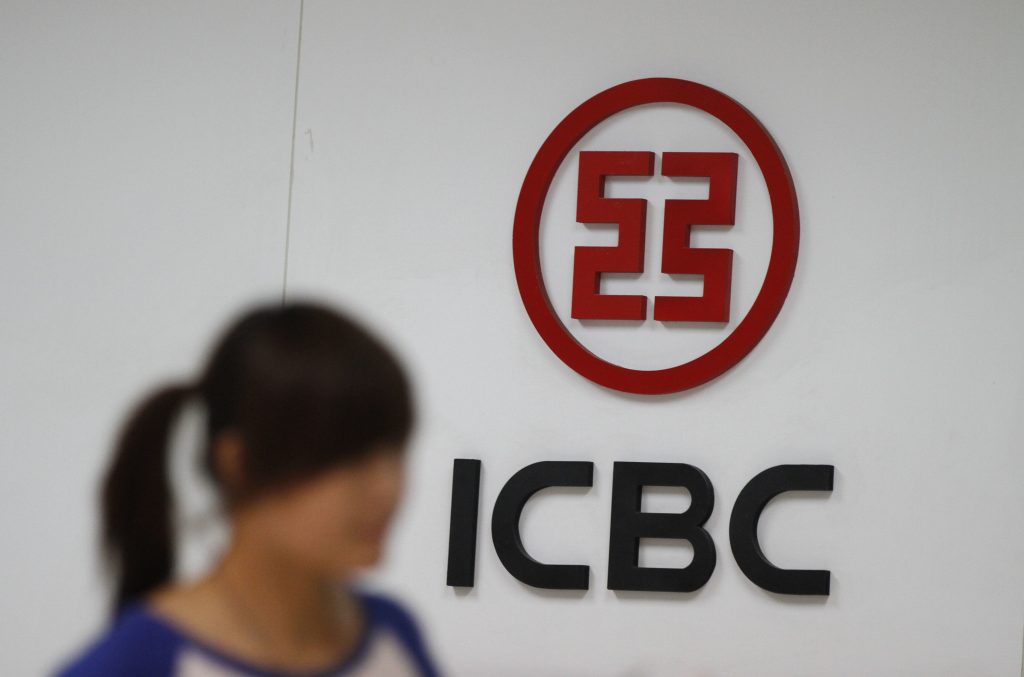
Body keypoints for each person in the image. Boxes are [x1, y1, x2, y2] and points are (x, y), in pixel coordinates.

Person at [53, 299, 443, 676]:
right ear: (238, 463)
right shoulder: (142, 660)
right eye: (348, 460)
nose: (387, 488)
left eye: (394, 452)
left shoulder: (392, 632)